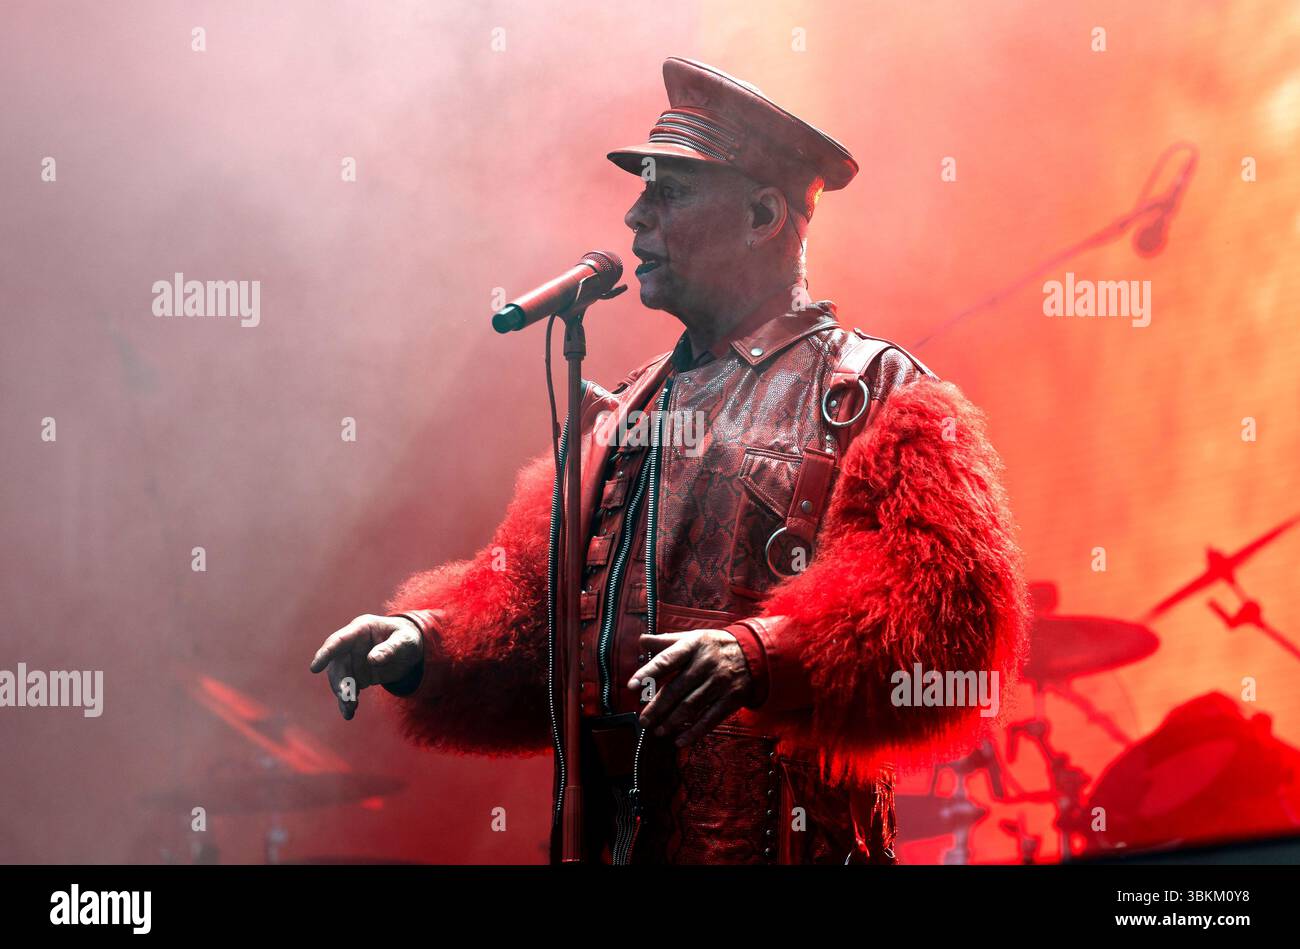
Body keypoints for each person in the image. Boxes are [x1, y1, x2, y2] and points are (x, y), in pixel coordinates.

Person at [310, 57, 1029, 864]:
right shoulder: (622, 413)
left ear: (762, 214)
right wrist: (428, 641)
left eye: (670, 193)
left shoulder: (875, 392)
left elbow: (948, 627)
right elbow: (538, 620)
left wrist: (761, 655)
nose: (634, 218)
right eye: (641, 192)